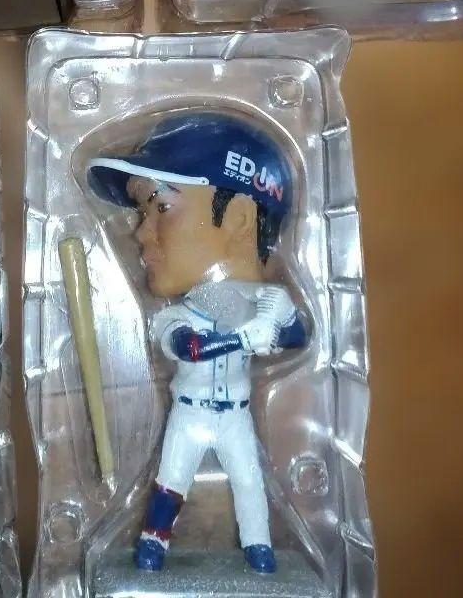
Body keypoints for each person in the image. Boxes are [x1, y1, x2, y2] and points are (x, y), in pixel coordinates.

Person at [89, 112, 309, 575]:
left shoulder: (266, 302)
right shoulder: (181, 313)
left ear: (240, 218)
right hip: (189, 413)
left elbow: (298, 337)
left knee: (249, 481)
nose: (140, 232)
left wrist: (276, 328)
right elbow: (189, 347)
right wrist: (239, 338)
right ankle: (152, 546)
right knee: (171, 481)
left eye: (161, 207)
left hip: (235, 414)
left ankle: (259, 548)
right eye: (142, 213)